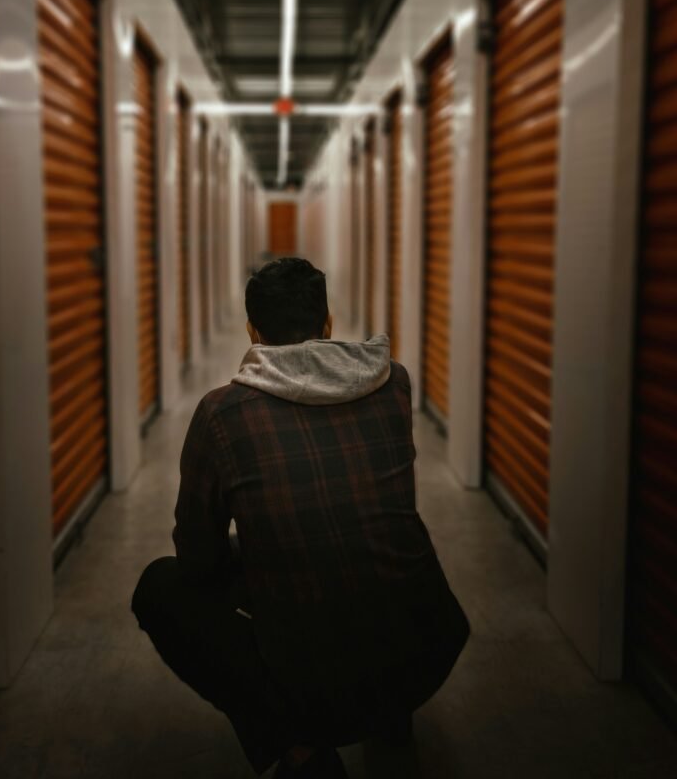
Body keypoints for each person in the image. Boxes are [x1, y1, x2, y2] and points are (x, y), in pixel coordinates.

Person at [132, 257, 469, 778]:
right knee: (362, 534)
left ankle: (299, 749)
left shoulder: (222, 414)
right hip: (430, 648)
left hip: (317, 690)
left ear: (253, 333)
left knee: (160, 587)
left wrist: (261, 575)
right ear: (328, 324)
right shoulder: (393, 383)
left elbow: (198, 560)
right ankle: (391, 711)